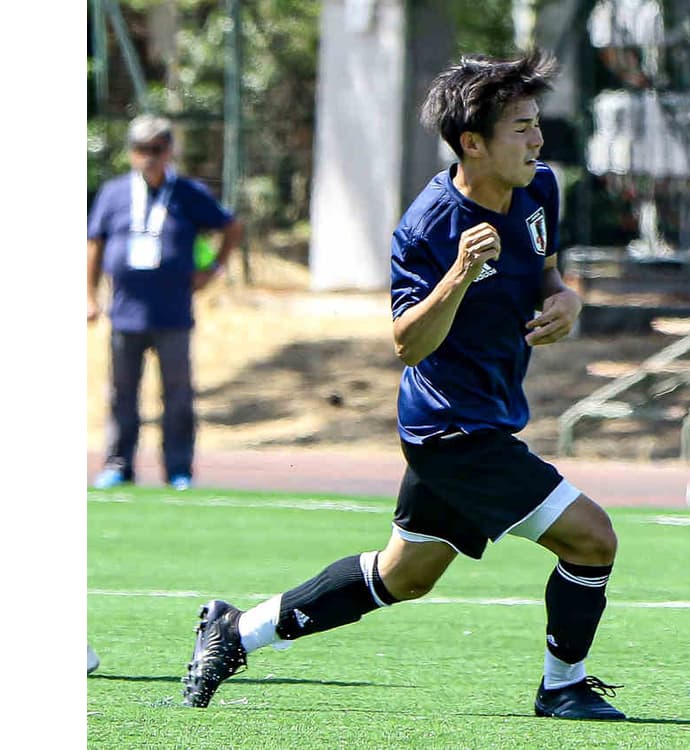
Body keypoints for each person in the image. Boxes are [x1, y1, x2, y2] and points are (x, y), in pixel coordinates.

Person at [180, 49, 626, 721]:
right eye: (522, 128)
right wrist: (457, 273)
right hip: (453, 431)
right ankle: (563, 687)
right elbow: (406, 342)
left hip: (483, 420)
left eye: (537, 123)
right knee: (593, 538)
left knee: (401, 577)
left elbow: (547, 274)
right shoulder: (428, 226)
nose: (537, 140)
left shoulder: (540, 189)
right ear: (472, 143)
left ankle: (234, 631)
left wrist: (567, 300)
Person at [87, 114, 243, 491]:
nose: (149, 158)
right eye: (142, 150)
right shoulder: (114, 193)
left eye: (156, 150)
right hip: (125, 313)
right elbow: (95, 243)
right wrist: (88, 295)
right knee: (122, 393)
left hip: (172, 313)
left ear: (169, 151)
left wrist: (214, 270)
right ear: (131, 154)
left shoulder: (188, 193)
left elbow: (231, 227)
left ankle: (178, 468)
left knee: (177, 395)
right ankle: (119, 464)